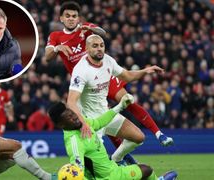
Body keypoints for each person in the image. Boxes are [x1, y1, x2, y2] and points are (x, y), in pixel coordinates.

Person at [44, 1, 173, 149]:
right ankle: (122, 157)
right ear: (61, 18)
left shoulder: (85, 28)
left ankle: (158, 134)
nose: (71, 19)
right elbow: (47, 57)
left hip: (102, 72)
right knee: (102, 114)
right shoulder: (56, 36)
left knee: (127, 100)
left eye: (74, 16)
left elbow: (103, 34)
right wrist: (57, 49)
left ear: (78, 18)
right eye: (67, 16)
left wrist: (92, 29)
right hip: (85, 83)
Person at [68, 34, 166, 164]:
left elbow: (127, 76)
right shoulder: (81, 70)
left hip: (106, 115)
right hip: (91, 121)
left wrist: (145, 71)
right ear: (86, 48)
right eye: (95, 46)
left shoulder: (108, 61)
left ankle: (116, 159)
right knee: (98, 168)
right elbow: (71, 101)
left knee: (139, 137)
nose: (99, 49)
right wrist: (83, 123)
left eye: (102, 46)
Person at [48, 98, 178, 180]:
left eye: (72, 113)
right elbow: (78, 170)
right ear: (61, 125)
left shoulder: (82, 124)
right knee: (146, 170)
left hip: (112, 169)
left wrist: (119, 106)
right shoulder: (74, 142)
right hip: (108, 177)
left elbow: (99, 122)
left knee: (144, 169)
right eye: (69, 118)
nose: (75, 117)